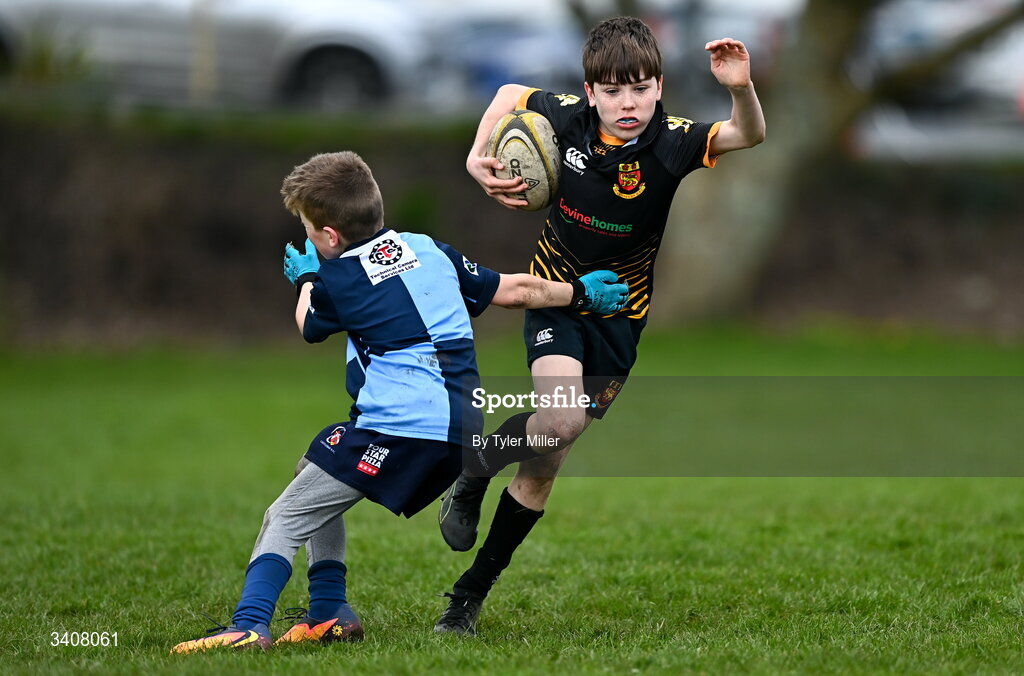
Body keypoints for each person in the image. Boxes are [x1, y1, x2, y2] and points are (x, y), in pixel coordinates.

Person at [170, 151, 629, 653]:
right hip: (459, 431)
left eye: (306, 228)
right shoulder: (430, 249)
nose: (306, 239)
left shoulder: (337, 277)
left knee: (284, 516)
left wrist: (306, 279)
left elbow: (308, 326)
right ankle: (329, 613)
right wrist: (579, 293)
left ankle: (248, 625)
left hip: (402, 431)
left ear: (328, 236)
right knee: (313, 466)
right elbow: (515, 290)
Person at [435, 17, 765, 635]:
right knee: (558, 422)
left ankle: (478, 489)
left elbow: (748, 133)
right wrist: (478, 156)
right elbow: (508, 94)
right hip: (557, 296)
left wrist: (740, 87)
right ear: (589, 93)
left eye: (640, 88)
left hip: (621, 318)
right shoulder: (568, 118)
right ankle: (463, 604)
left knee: (547, 458)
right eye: (613, 91)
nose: (627, 103)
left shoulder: (673, 142)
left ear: (659, 87)